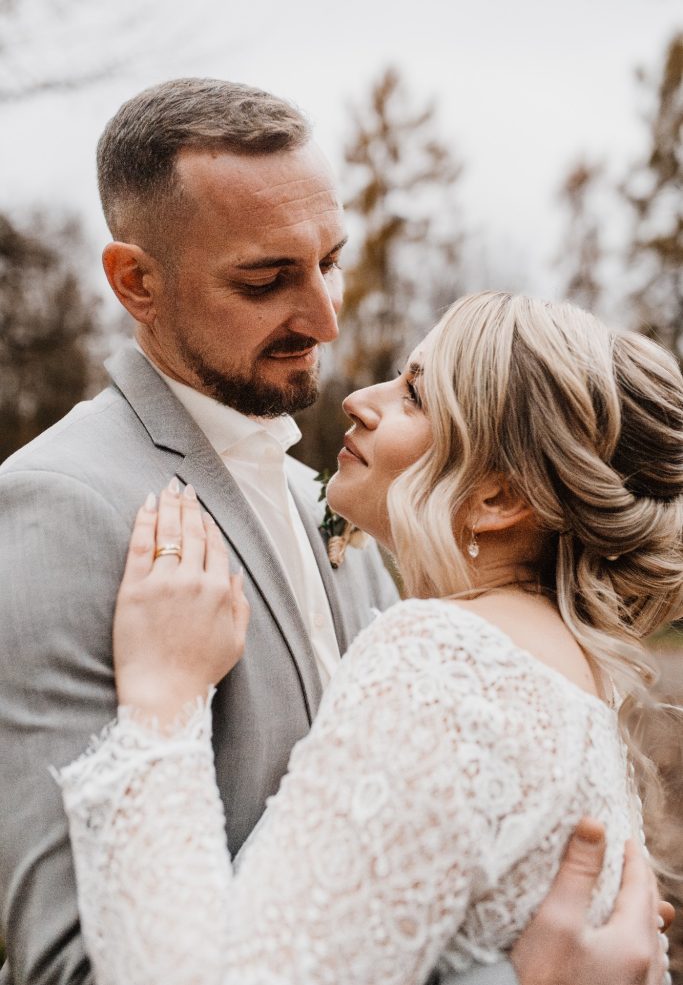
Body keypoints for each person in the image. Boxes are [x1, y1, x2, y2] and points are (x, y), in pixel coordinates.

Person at [0, 75, 668, 985]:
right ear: (137, 283)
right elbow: (71, 967)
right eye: (267, 278)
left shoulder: (351, 518)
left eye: (331, 261)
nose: (325, 316)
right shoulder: (56, 504)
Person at [55, 292, 680, 985]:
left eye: (413, 395)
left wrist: (163, 702)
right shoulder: (572, 674)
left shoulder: (445, 663)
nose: (358, 399)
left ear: (497, 498)